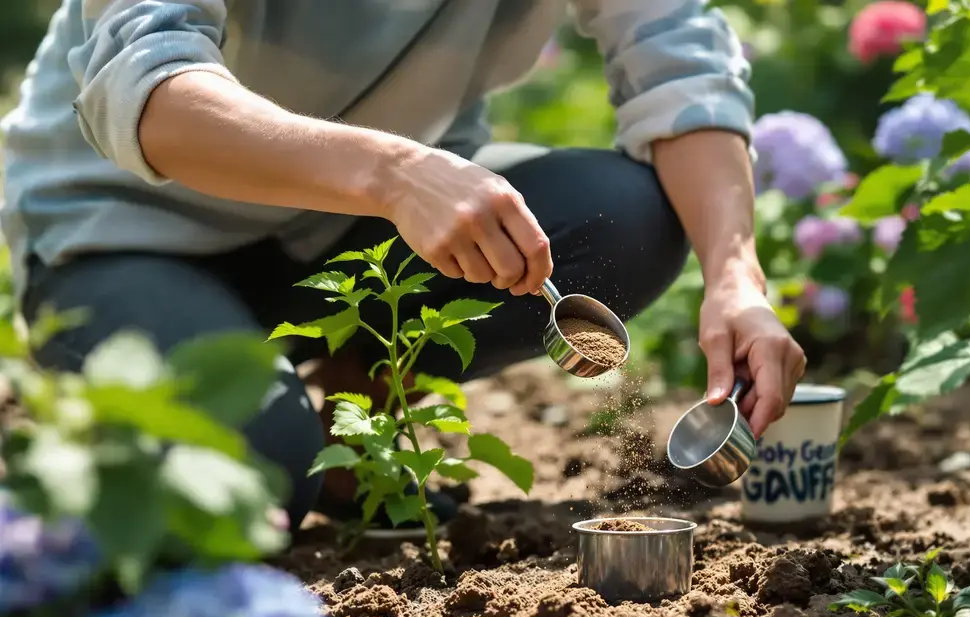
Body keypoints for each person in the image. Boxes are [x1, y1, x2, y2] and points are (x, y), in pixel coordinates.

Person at [1, 0, 808, 535]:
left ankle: (364, 422)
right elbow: (147, 85)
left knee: (622, 214)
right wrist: (391, 172)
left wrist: (736, 276)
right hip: (125, 231)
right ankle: (236, 410)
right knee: (250, 482)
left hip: (353, 228)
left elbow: (679, 61)